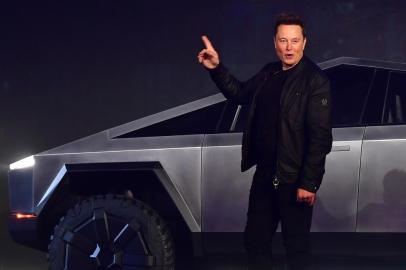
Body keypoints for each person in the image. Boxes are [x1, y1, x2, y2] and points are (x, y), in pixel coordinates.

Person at [197, 13, 333, 270]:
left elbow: (320, 137)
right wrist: (216, 68)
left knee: (297, 249)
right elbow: (239, 94)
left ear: (304, 42)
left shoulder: (316, 81)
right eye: (283, 40)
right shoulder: (268, 72)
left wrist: (309, 183)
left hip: (294, 180)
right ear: (275, 42)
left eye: (294, 40)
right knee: (255, 243)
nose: (289, 47)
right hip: (265, 175)